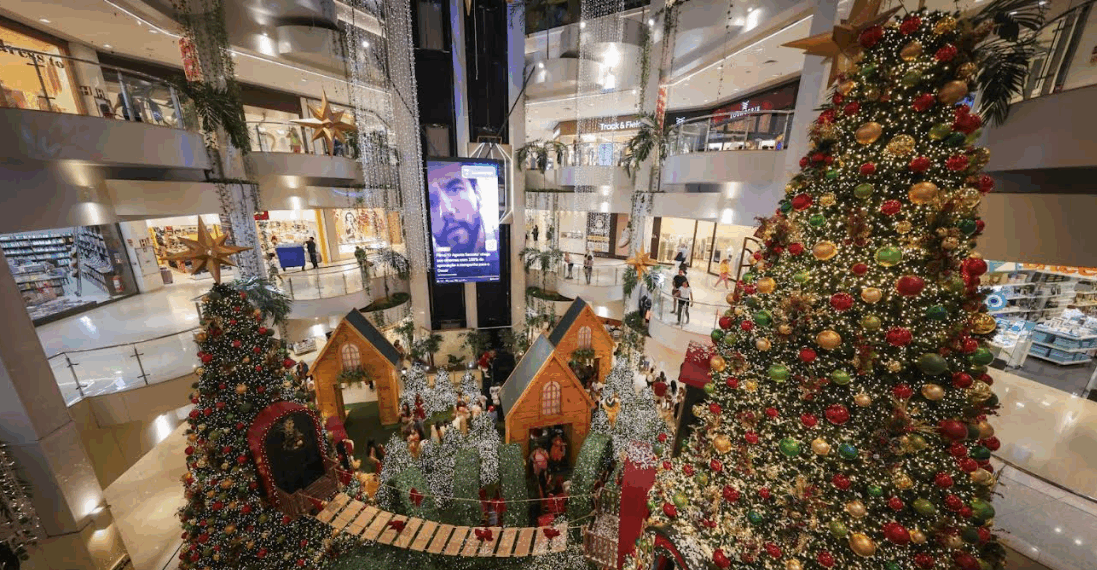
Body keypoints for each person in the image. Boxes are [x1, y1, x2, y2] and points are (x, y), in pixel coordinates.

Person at [428, 166, 490, 254]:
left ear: (478, 195)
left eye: (455, 189)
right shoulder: (428, 260)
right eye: (431, 201)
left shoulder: (506, 247)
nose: (446, 211)